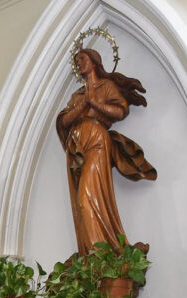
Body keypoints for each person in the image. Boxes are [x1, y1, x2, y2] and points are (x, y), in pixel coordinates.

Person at [56, 48, 157, 256]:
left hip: (96, 139)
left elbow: (120, 111)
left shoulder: (106, 86)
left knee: (87, 196)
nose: (79, 63)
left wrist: (95, 103)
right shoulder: (78, 95)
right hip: (76, 146)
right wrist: (84, 104)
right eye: (77, 61)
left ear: (94, 62)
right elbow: (64, 120)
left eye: (82, 59)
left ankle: (99, 254)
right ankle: (88, 254)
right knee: (78, 201)